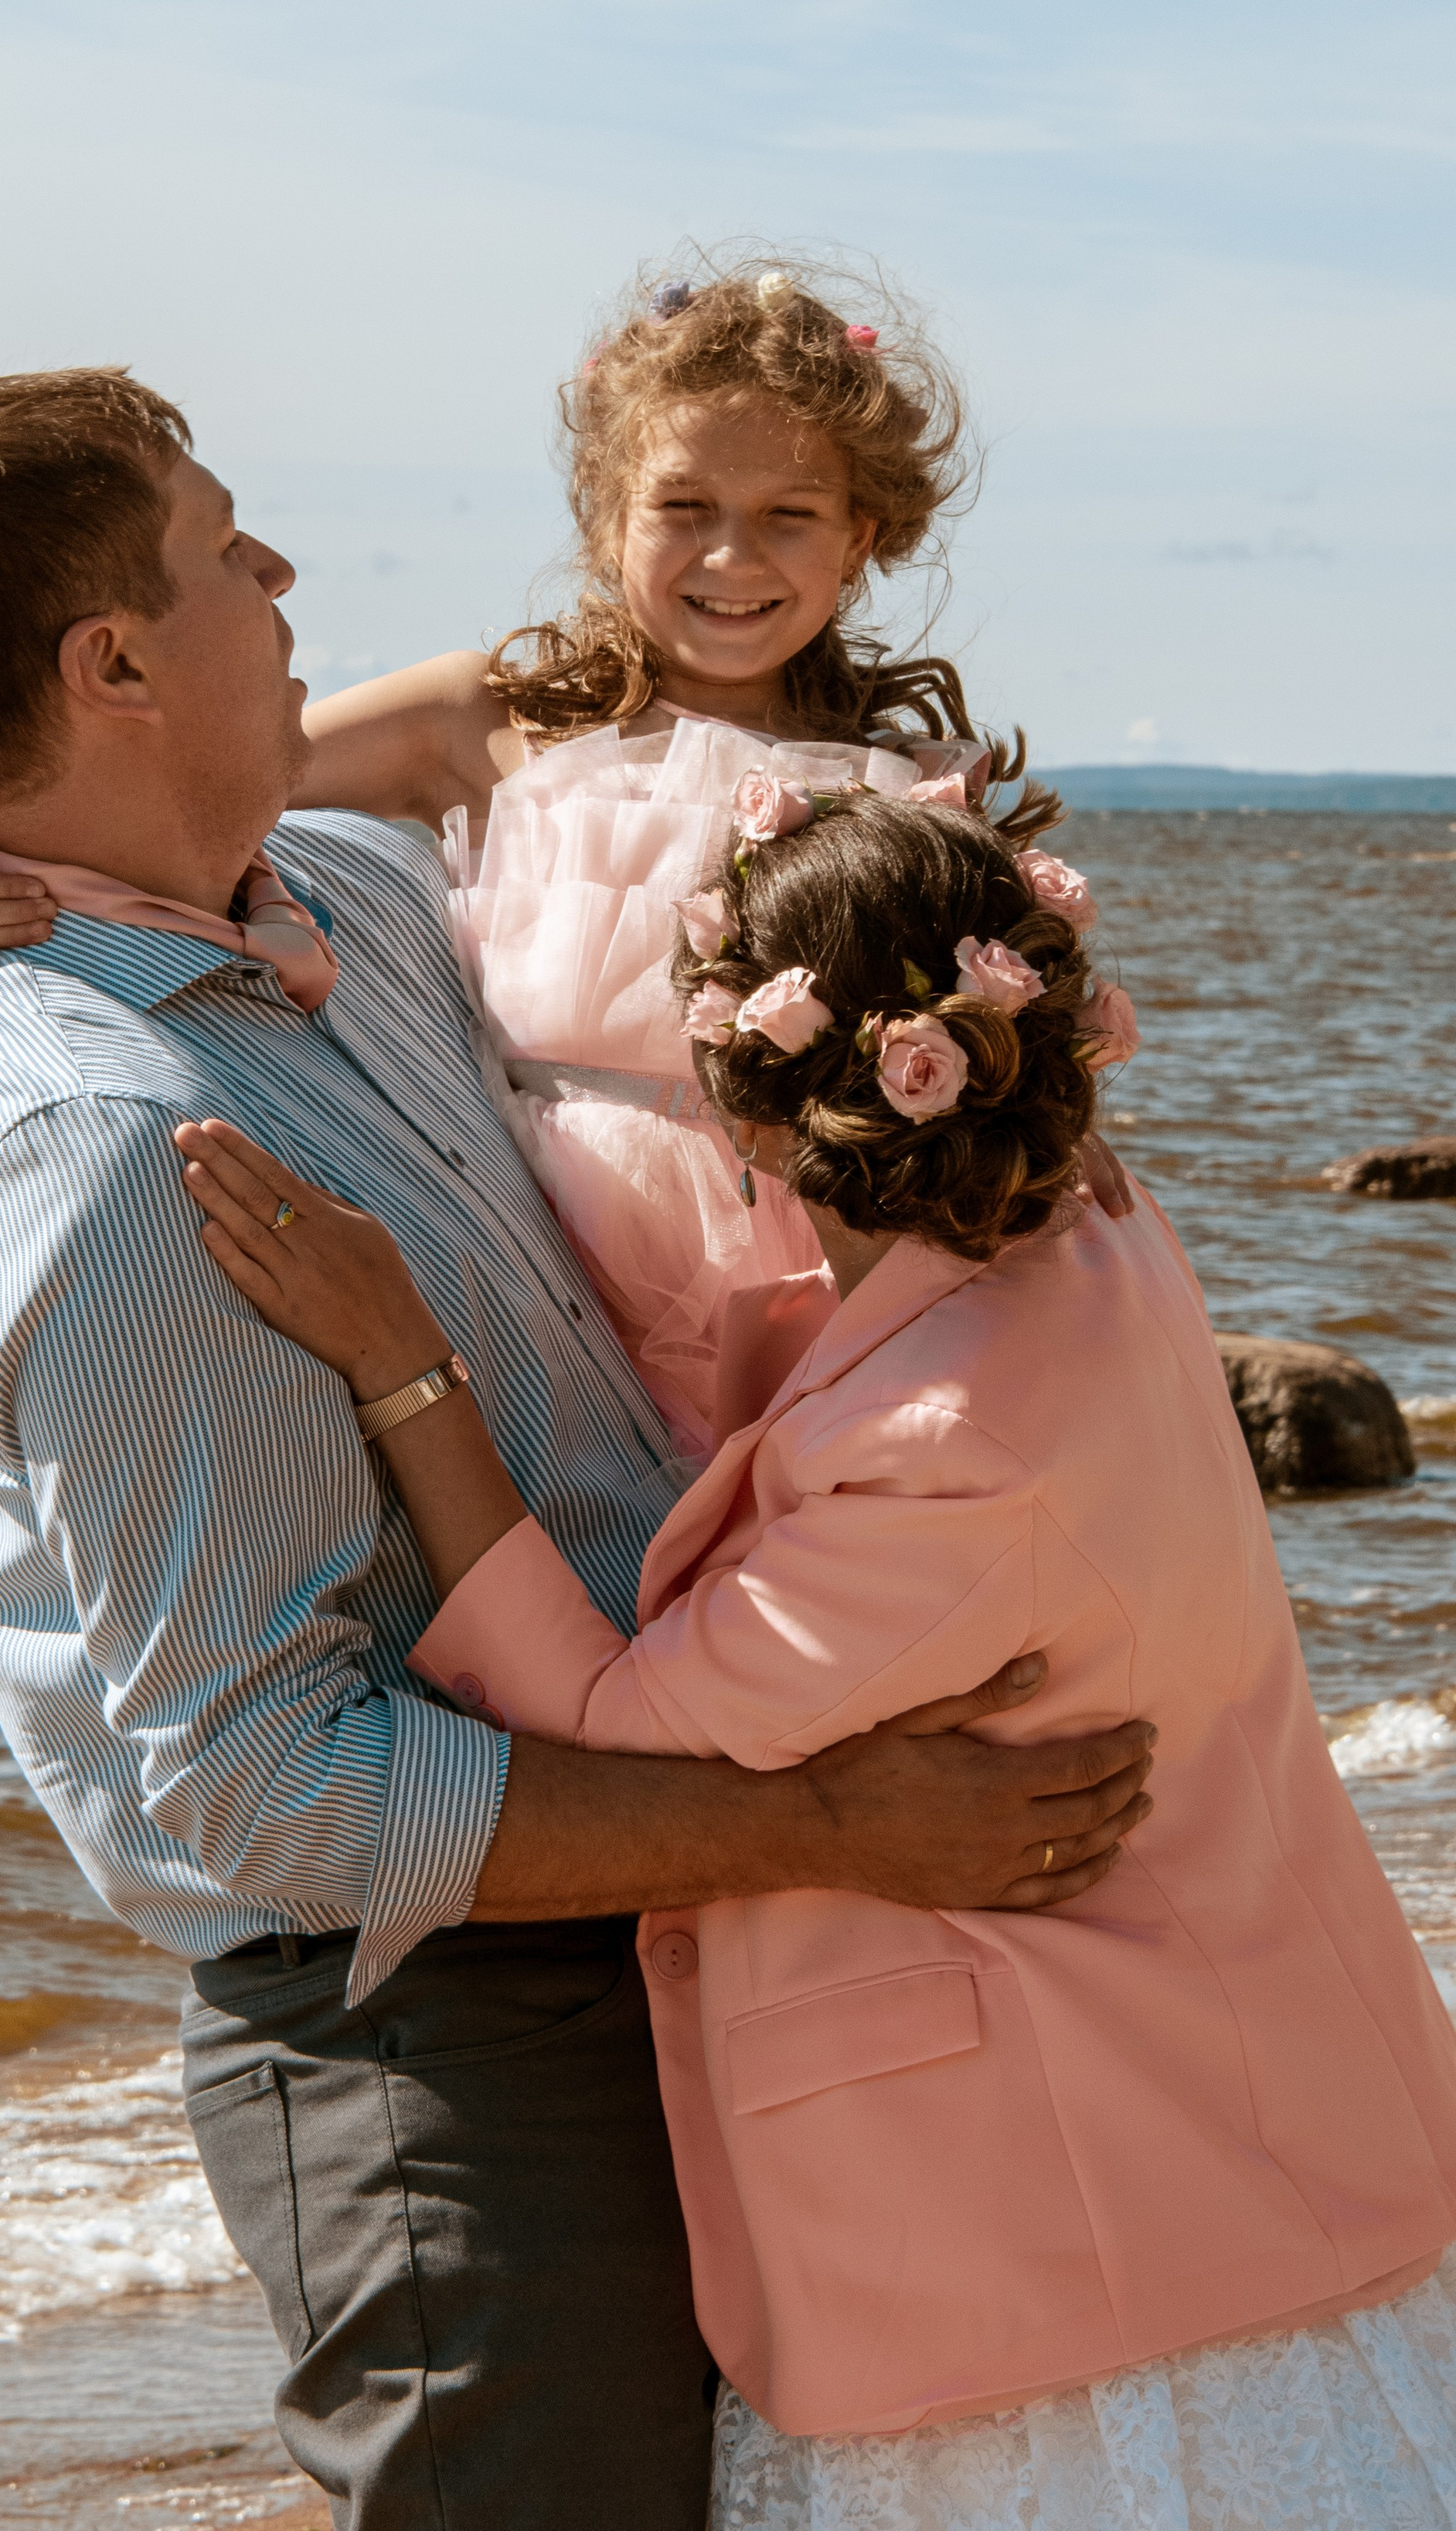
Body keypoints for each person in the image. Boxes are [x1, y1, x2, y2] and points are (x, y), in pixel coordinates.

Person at [0, 364, 1155, 2531]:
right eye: (228, 546)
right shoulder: (105, 1159)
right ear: (114, 662)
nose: (289, 572)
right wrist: (828, 1824)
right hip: (440, 2043)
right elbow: (271, 1791)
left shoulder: (352, 906)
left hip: (670, 1900)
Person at [181, 780, 1456, 2528]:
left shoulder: (942, 1447)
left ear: (748, 1107)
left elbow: (609, 1724)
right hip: (1263, 2125)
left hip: (1063, 2230)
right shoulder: (1104, 1235)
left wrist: (407, 1368)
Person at [0, 261, 1109, 1454]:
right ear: (607, 513)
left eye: (790, 516)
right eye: (684, 509)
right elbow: (158, 768)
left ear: (860, 538)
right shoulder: (487, 725)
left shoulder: (905, 795)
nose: (732, 558)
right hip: (557, 1295)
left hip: (838, 1283)